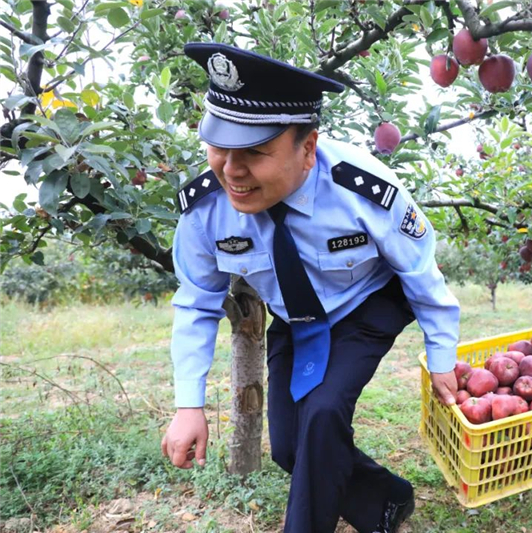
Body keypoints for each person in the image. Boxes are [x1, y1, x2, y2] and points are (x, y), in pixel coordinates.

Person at [161, 42, 460, 533]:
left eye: (254, 152)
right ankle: (388, 498)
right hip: (294, 315)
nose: (231, 170)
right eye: (219, 147)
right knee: (290, 448)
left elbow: (418, 268)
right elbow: (196, 302)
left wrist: (442, 354)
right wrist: (188, 404)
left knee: (321, 416)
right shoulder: (206, 209)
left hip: (368, 300)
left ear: (307, 148)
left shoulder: (359, 188)